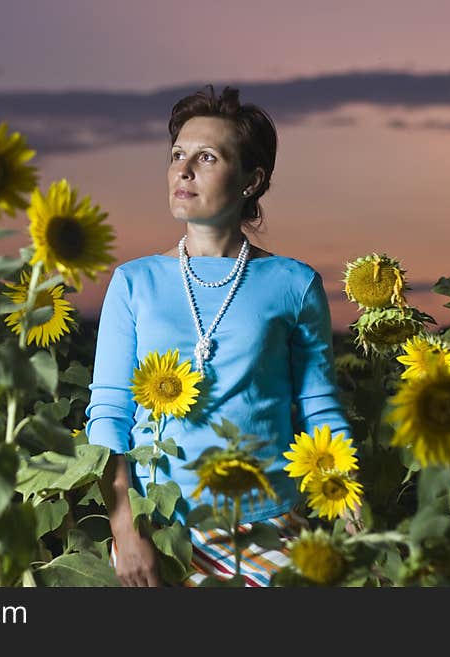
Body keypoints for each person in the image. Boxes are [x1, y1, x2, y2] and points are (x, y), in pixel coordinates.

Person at [84, 85, 353, 587]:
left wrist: (349, 502)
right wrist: (125, 531)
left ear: (252, 180)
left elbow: (318, 407)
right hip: (159, 531)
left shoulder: (295, 284)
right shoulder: (134, 282)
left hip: (269, 528)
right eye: (177, 155)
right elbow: (109, 416)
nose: (183, 170)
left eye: (206, 157)